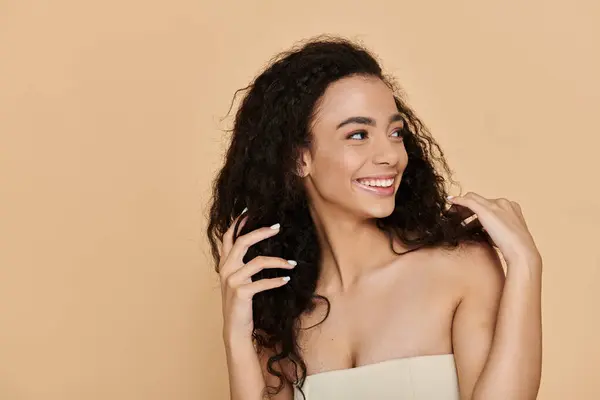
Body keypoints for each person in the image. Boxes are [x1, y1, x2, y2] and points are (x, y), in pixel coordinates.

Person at [205, 35, 543, 400]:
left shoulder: (460, 269)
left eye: (395, 132)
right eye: (358, 134)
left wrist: (526, 265)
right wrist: (237, 339)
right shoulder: (284, 313)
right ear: (298, 159)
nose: (390, 155)